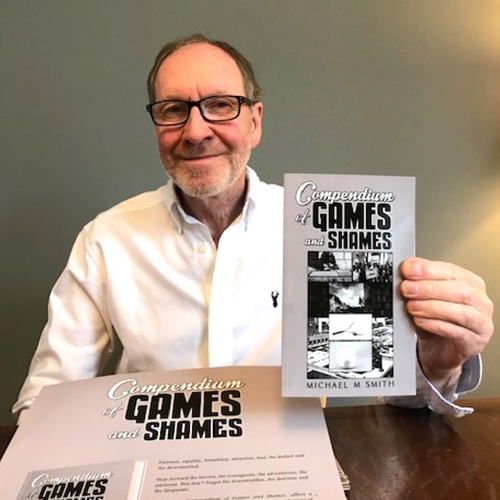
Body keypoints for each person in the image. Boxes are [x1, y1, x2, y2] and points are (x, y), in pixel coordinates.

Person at [12, 34, 494, 422]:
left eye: (221, 105)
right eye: (173, 109)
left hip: (294, 470)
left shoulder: (329, 230)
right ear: (156, 124)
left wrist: (437, 363)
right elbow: (46, 403)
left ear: (255, 122)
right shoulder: (107, 239)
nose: (195, 131)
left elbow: (390, 393)